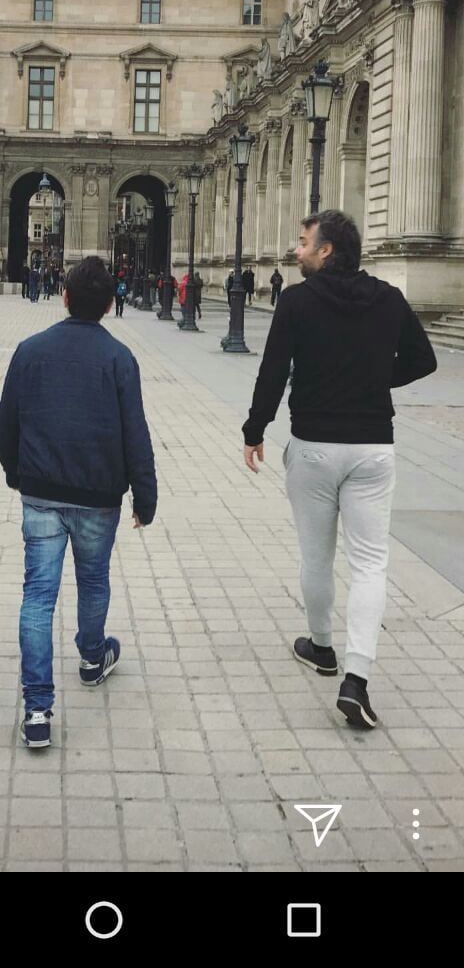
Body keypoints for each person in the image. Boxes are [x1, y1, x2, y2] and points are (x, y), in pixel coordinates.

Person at [242, 210, 437, 731]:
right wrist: (373, 380)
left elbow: (273, 369)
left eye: (304, 242)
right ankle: (358, 678)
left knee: (317, 556)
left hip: (313, 447)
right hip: (374, 447)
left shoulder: (298, 300)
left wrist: (254, 429)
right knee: (371, 563)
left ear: (326, 250)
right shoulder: (390, 299)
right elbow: (425, 361)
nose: (297, 250)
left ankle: (321, 647)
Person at [0, 256, 157, 750]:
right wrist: (144, 494)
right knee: (93, 579)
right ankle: (91, 658)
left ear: (63, 296)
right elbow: (136, 433)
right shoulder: (119, 358)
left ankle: (38, 709)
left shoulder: (29, 350)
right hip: (98, 495)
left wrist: (15, 473)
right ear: (111, 304)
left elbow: (7, 425)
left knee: (38, 595)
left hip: (41, 490)